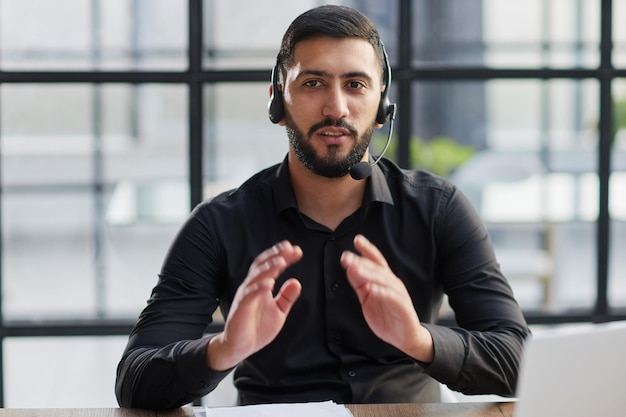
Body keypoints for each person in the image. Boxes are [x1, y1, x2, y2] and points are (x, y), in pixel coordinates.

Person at [115, 5, 529, 410]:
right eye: (313, 83)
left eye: (355, 84)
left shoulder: (438, 210)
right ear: (278, 100)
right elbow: (134, 380)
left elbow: (517, 360)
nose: (336, 108)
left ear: (382, 105)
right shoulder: (218, 224)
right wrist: (221, 349)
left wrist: (420, 341)